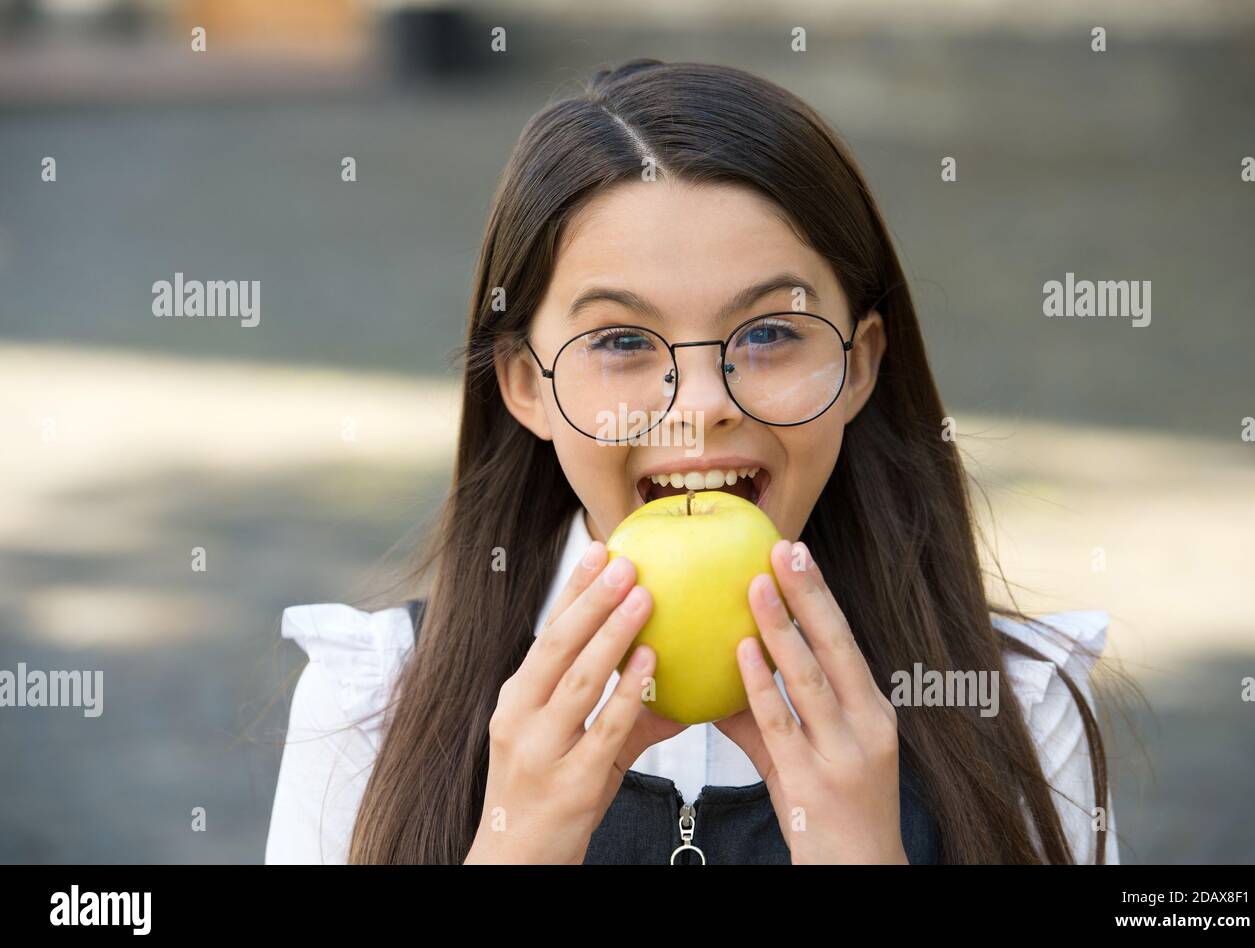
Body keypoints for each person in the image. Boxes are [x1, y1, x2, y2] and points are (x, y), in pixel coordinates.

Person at [266, 59, 1120, 865]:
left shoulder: (1013, 712)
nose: (701, 402)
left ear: (858, 365)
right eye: (624, 340)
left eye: (771, 333)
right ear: (527, 384)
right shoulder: (372, 705)